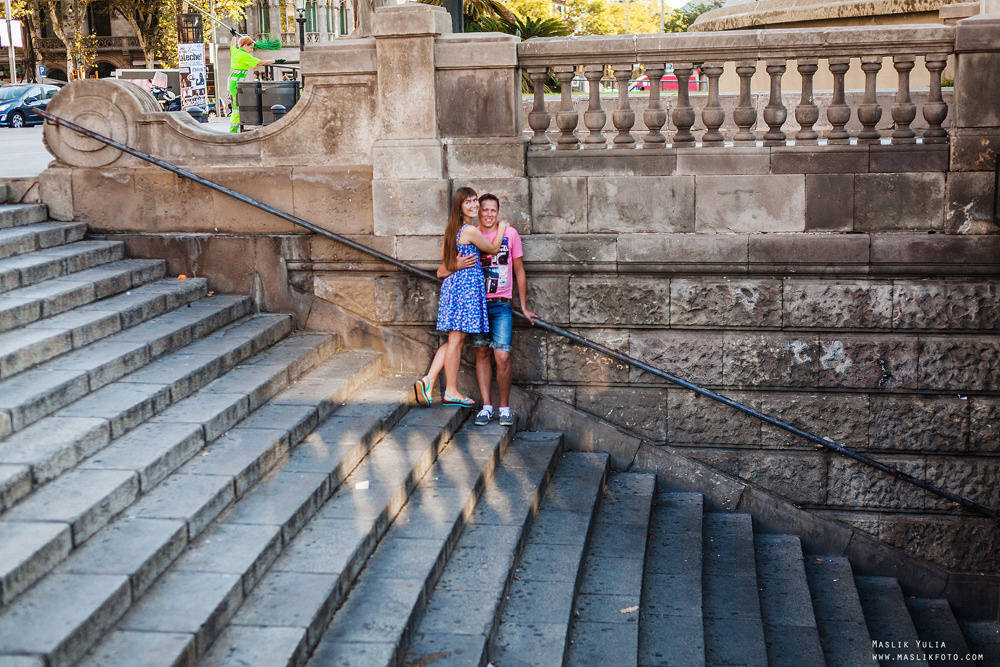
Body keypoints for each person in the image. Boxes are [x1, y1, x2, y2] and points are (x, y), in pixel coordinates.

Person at [437, 194, 537, 427]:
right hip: (478, 304)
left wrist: (523, 306)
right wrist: (455, 265)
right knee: (480, 352)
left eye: (494, 210)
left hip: (501, 304)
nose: (489, 214)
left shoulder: (510, 235)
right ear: (477, 213)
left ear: (498, 211)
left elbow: (519, 270)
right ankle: (487, 407)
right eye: (484, 209)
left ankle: (504, 408)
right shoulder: (471, 233)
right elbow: (443, 268)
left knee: (502, 355)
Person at [414, 187, 509, 408]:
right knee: (457, 341)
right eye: (469, 202)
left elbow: (443, 267)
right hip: (464, 290)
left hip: (455, 288)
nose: (475, 205)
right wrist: (502, 226)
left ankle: (428, 380)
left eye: (475, 200)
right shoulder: (468, 230)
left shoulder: (451, 230)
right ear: (460, 206)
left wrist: (454, 265)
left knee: (455, 340)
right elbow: (494, 248)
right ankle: (451, 390)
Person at [227, 35, 275, 133]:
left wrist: (233, 36)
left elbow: (232, 46)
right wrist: (275, 61)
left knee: (238, 107)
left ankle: (234, 131)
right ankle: (232, 132)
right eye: (250, 47)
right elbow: (261, 63)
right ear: (244, 45)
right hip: (237, 85)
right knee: (236, 109)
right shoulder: (244, 56)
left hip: (234, 84)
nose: (251, 49)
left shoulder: (236, 52)